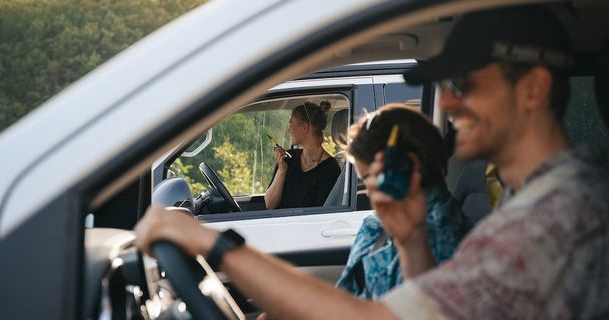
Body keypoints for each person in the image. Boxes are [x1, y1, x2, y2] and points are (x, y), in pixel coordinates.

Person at [135, 6, 609, 319]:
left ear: (533, 89)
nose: (449, 103)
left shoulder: (561, 216)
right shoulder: (536, 199)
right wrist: (412, 242)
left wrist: (211, 244)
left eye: (464, 85)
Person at [336, 104, 469, 299]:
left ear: (408, 165)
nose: (367, 192)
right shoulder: (380, 225)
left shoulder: (442, 241)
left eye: (370, 178)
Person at [264, 101, 341, 209]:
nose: (288, 130)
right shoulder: (288, 158)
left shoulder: (330, 169)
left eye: (291, 125)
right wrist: (282, 169)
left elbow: (321, 215)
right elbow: (269, 205)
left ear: (304, 128)